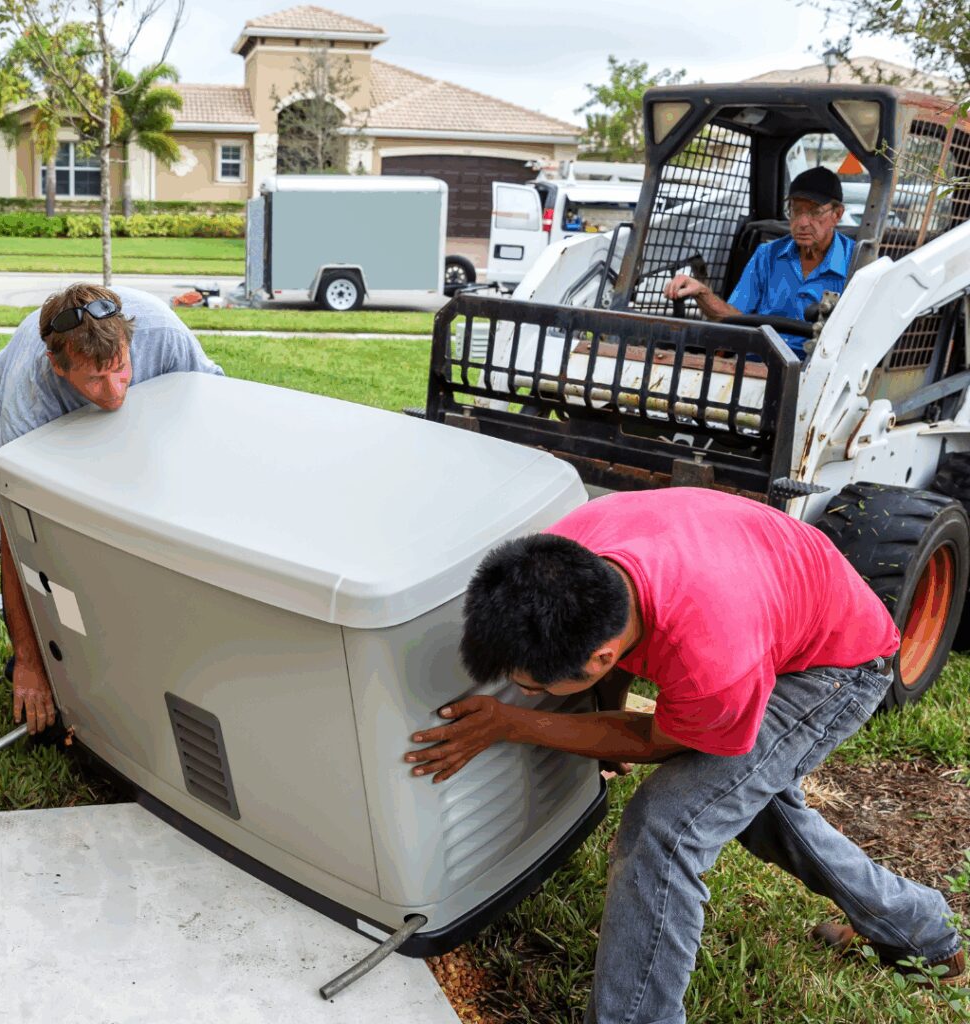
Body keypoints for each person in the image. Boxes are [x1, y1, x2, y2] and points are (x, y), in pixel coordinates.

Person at [404, 488, 965, 1024]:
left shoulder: (710, 664)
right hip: (776, 599)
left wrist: (515, 724)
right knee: (749, 807)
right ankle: (922, 930)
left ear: (599, 655)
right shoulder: (567, 554)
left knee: (667, 827)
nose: (522, 692)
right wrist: (596, 713)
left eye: (530, 685)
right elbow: (623, 671)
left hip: (838, 668)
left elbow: (657, 742)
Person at [0, 283, 224, 736]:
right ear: (57, 365)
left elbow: (211, 413)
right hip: (39, 426)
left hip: (135, 414)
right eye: (94, 379)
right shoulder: (29, 396)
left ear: (131, 344)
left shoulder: (162, 332)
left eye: (120, 369)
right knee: (54, 537)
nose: (112, 392)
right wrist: (30, 662)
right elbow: (16, 532)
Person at [662, 166, 854, 358]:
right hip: (758, 366)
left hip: (820, 374)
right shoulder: (767, 255)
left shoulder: (856, 261)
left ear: (836, 214)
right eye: (795, 211)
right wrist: (701, 292)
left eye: (814, 212)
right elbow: (734, 319)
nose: (802, 222)